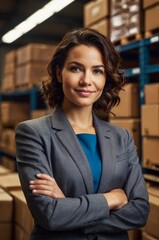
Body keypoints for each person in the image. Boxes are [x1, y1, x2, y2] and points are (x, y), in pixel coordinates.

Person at [15, 28, 149, 240]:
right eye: (76, 69)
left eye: (97, 71)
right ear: (59, 73)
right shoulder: (33, 133)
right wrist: (112, 199)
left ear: (106, 77)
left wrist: (69, 207)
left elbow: (139, 212)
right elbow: (50, 215)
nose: (87, 80)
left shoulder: (121, 137)